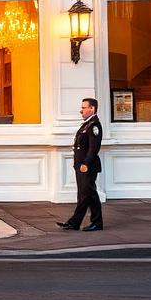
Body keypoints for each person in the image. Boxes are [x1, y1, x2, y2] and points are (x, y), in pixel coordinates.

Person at [57, 97, 103, 232]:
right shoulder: (86, 124)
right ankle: (80, 223)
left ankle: (82, 222)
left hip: (87, 166)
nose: (81, 111)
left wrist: (85, 163)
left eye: (84, 108)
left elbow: (94, 148)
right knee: (87, 195)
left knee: (87, 195)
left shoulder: (94, 125)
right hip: (81, 166)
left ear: (92, 109)